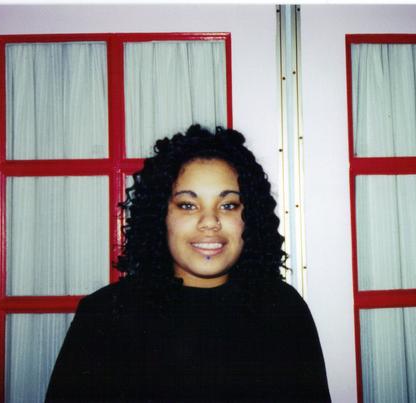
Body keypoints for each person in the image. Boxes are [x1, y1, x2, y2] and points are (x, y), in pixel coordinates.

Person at [45, 125, 331, 402]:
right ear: (161, 215)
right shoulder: (106, 314)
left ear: (250, 216)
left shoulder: (284, 310)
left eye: (228, 205)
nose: (210, 221)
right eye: (187, 205)